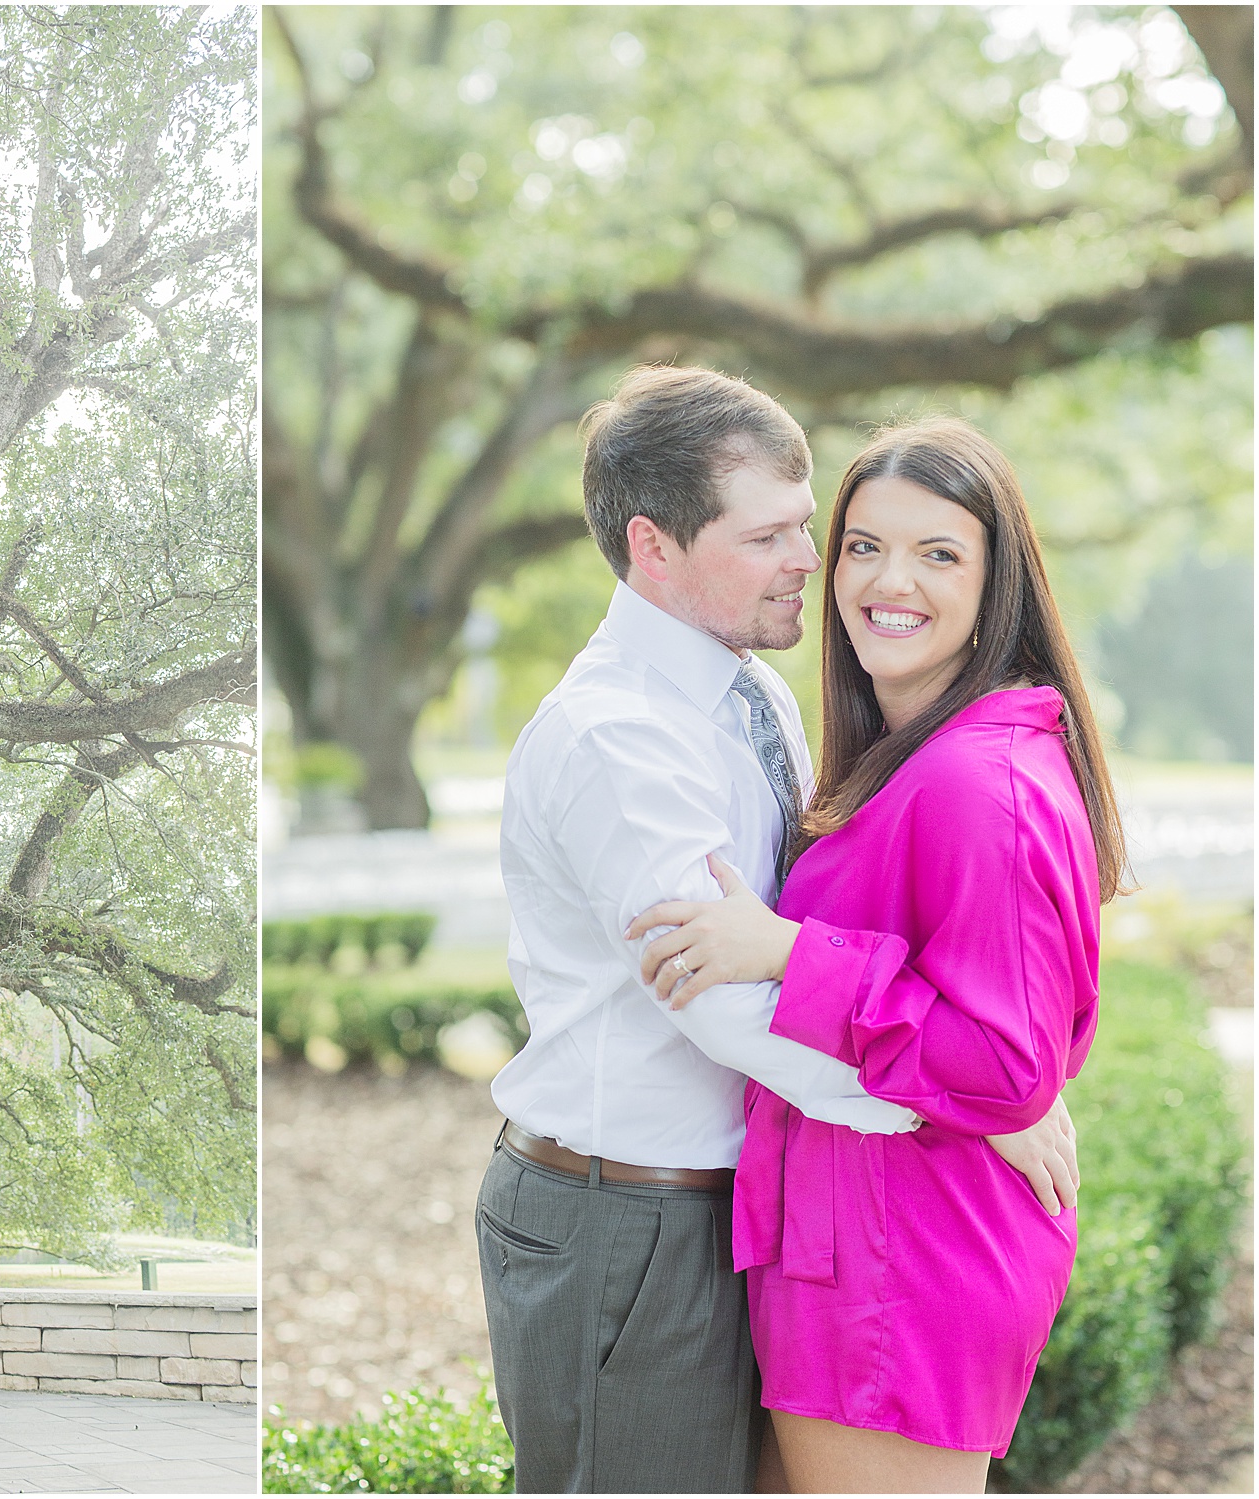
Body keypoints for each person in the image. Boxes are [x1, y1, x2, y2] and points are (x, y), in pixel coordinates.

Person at [478, 365, 1076, 1494]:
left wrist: (995, 1072)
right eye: (769, 536)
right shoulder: (616, 738)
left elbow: (826, 929)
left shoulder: (750, 696)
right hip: (628, 1211)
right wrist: (979, 1104)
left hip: (746, 1201)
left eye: (808, 526)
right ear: (653, 549)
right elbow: (727, 1003)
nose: (811, 560)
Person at [626, 419, 1119, 1493]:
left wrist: (785, 952)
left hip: (902, 1268)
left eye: (938, 553)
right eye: (861, 545)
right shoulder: (922, 759)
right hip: (858, 1247)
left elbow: (1001, 1063)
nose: (887, 580)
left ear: (996, 585)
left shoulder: (972, 784)